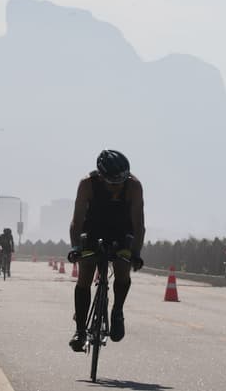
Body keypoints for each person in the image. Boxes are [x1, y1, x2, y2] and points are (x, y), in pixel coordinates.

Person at [67, 149, 145, 352]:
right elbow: (76, 221)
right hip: (93, 229)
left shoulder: (134, 186)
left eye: (121, 181)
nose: (117, 187)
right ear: (101, 177)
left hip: (121, 231)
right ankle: (80, 330)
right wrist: (76, 247)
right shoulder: (87, 184)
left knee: (122, 267)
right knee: (84, 274)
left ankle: (117, 311)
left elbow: (138, 224)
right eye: (112, 183)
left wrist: (136, 253)